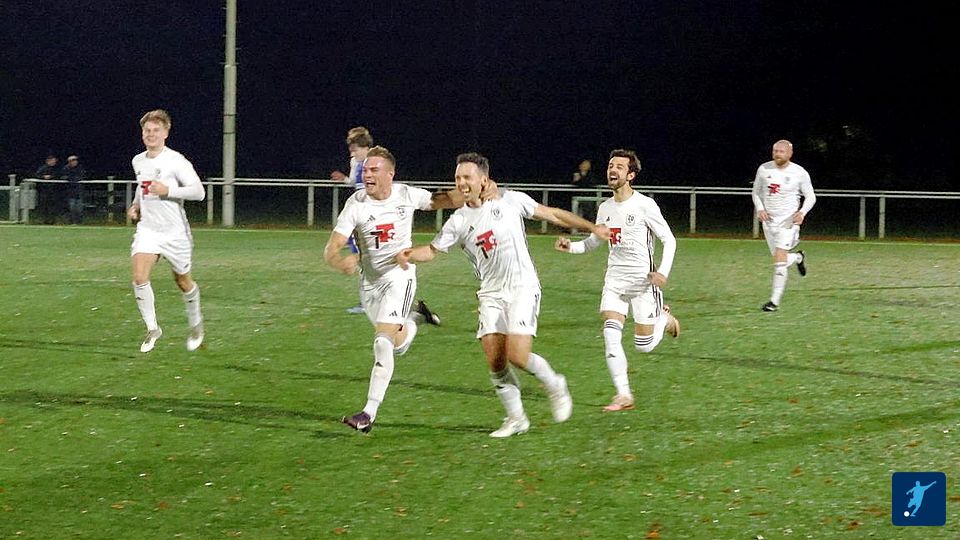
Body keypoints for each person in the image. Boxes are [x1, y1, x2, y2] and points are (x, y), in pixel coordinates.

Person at [398, 152, 609, 437]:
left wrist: (591, 227)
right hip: (490, 294)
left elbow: (552, 214)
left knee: (518, 356)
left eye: (467, 177)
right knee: (496, 362)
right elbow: (432, 251)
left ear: (483, 179)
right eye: (457, 177)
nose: (461, 183)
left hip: (523, 287)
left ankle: (555, 384)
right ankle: (516, 419)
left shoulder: (510, 200)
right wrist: (408, 254)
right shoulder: (458, 221)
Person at [325, 145, 461, 434]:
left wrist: (476, 192)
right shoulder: (356, 204)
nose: (367, 174)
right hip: (370, 284)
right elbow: (331, 248)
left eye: (374, 169)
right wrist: (339, 262)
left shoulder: (406, 194)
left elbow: (443, 200)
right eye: (365, 169)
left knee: (382, 342)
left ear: (390, 173)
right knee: (396, 344)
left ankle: (368, 414)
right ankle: (417, 318)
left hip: (400, 276)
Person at [555, 149, 681, 412]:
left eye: (619, 167)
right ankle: (624, 395)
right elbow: (593, 242)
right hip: (614, 280)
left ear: (631, 175)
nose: (612, 170)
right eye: (611, 165)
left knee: (643, 346)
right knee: (611, 335)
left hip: (643, 282)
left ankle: (664, 319)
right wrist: (571, 247)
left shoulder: (645, 205)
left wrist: (663, 272)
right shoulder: (605, 208)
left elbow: (669, 240)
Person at [126, 109, 206, 353]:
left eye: (156, 130)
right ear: (142, 133)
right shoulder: (138, 161)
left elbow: (199, 192)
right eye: (147, 130)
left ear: (165, 133)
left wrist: (168, 191)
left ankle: (196, 324)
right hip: (148, 230)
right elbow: (142, 186)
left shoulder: (176, 161)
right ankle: (153, 329)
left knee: (182, 281)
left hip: (174, 233)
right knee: (139, 277)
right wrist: (136, 205)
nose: (151, 134)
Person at [751, 139, 816, 312]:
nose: (777, 154)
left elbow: (811, 197)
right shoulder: (764, 169)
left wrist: (802, 212)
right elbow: (756, 192)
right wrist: (760, 209)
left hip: (788, 222)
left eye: (781, 151)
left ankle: (774, 302)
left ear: (790, 153)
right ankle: (798, 258)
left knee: (780, 260)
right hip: (769, 222)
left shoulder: (799, 173)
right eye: (775, 151)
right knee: (780, 259)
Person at [330, 126, 374, 314]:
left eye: (355, 149)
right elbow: (355, 184)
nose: (352, 153)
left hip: (371, 214)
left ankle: (370, 301)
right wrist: (344, 178)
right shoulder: (355, 162)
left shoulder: (376, 161)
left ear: (365, 147)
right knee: (363, 254)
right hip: (359, 211)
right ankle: (368, 300)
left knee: (369, 257)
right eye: (351, 150)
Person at [61, 154, 86, 224]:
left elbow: (82, 176)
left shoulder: (80, 168)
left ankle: (79, 221)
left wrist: (72, 179)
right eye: (72, 160)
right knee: (71, 207)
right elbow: (63, 177)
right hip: (70, 192)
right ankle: (71, 221)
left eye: (75, 160)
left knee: (79, 208)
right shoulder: (65, 168)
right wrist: (72, 179)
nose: (74, 162)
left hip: (79, 191)